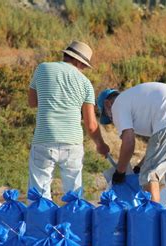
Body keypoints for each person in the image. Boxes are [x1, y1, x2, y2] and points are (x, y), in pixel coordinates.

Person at [28, 41, 109, 199]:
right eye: (84, 65)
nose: (83, 69)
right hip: (72, 142)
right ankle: (74, 222)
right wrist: (101, 144)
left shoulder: (43, 68)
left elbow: (32, 102)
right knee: (74, 194)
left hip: (45, 138)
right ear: (79, 61)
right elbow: (91, 125)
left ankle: (39, 223)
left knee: (39, 193)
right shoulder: (86, 84)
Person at [97, 82, 166, 202]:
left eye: (109, 117)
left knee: (149, 174)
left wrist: (120, 172)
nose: (112, 120)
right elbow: (158, 145)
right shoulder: (136, 101)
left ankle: (151, 217)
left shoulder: (117, 105)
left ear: (107, 104)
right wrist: (139, 167)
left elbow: (129, 142)